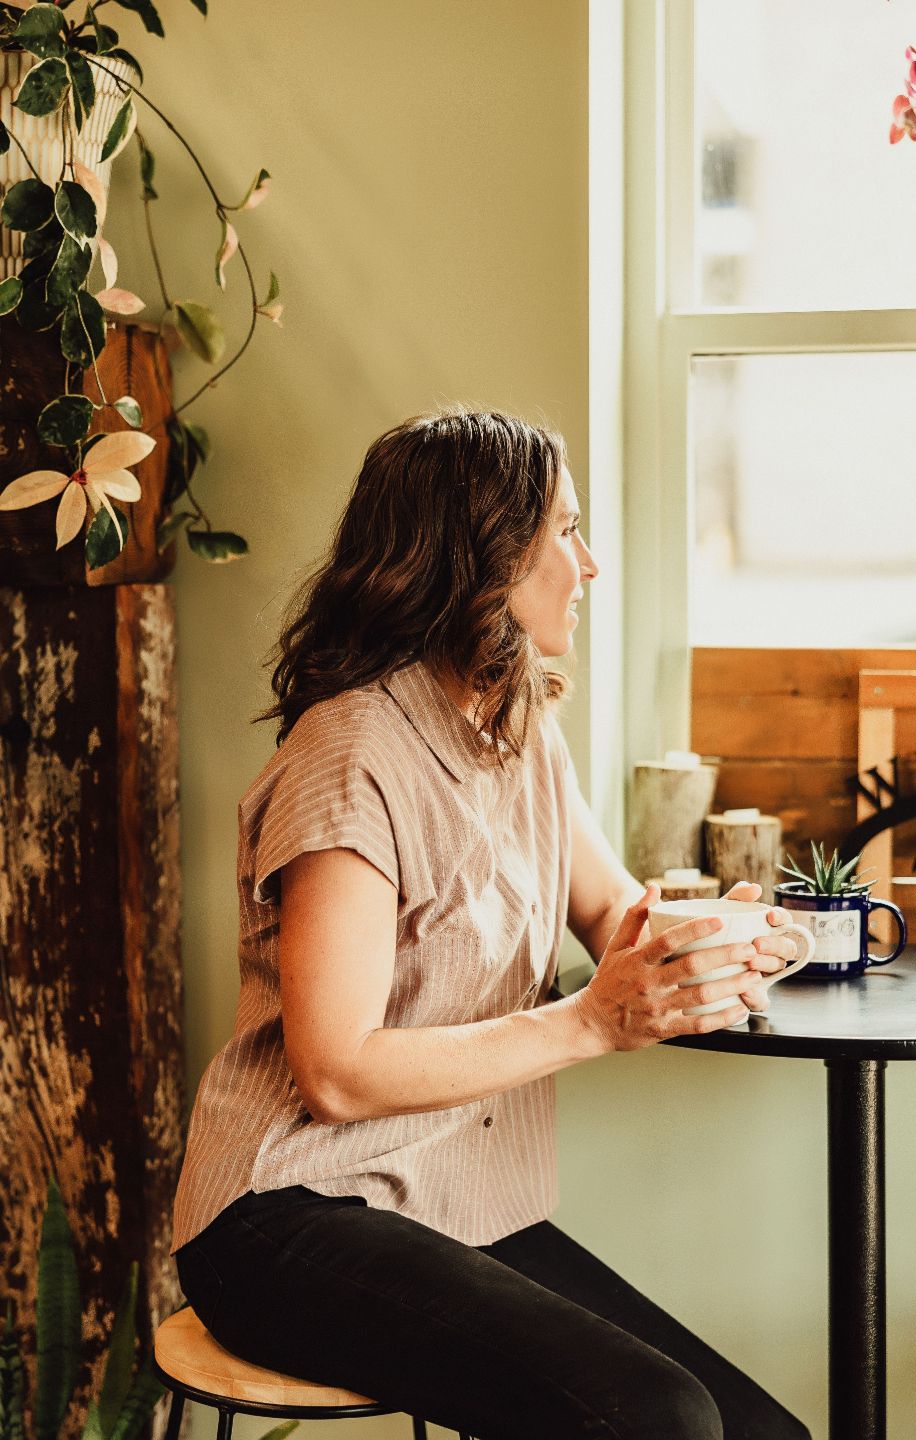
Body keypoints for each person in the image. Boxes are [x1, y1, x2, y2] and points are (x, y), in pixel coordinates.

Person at [171, 410, 811, 1440]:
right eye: (564, 531)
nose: (589, 563)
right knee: (658, 1421)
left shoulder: (516, 727)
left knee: (759, 1432)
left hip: (449, 1201)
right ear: (484, 559)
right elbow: (335, 1072)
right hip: (285, 1219)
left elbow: (608, 909)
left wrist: (713, 937)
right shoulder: (350, 758)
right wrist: (593, 1024)